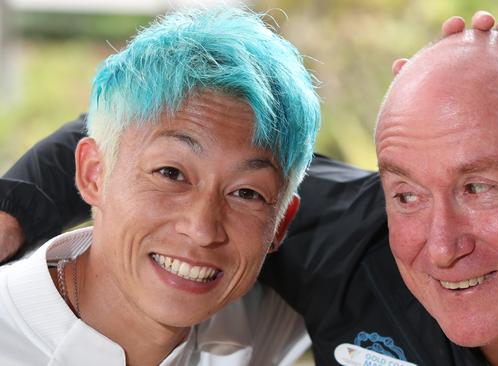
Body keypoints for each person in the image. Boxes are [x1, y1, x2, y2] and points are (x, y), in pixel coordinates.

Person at [4, 11, 498, 366]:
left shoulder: (253, 298)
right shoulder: (351, 241)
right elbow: (161, 138)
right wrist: (14, 210)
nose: (443, 246)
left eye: (480, 186)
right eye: (407, 194)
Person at [0, 7, 322, 365]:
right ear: (93, 174)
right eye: (171, 173)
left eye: (247, 193)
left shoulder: (259, 323)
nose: (202, 230)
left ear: (280, 223)